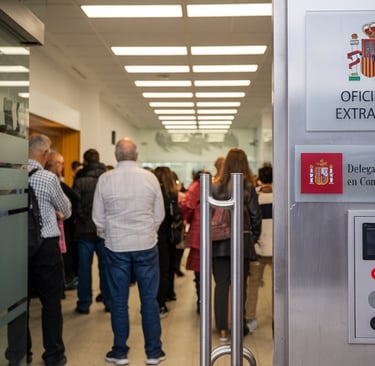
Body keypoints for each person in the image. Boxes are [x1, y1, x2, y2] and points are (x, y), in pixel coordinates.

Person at [92, 137, 166, 365]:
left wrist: (110, 235)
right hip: (146, 245)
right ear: (136, 155)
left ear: (116, 156)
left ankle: (120, 352)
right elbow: (159, 214)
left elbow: (98, 218)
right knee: (149, 300)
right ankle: (154, 352)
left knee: (119, 301)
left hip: (116, 247)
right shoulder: (150, 178)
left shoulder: (105, 179)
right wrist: (148, 232)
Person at [20, 134, 71, 366]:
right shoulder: (48, 178)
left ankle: (21, 353)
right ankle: (53, 355)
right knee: (51, 302)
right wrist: (57, 212)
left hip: (17, 245)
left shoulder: (11, 175)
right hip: (46, 246)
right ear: (45, 154)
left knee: (20, 303)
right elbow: (66, 209)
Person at [211, 148, 262, 343]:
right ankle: (238, 327)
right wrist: (252, 238)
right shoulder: (248, 187)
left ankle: (222, 329)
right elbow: (256, 216)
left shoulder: (215, 187)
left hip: (218, 243)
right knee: (240, 286)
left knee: (221, 285)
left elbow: (208, 216)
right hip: (241, 244)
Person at [73, 149, 110, 313]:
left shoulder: (80, 179)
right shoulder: (107, 177)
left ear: (85, 161)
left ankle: (84, 304)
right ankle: (108, 302)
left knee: (84, 269)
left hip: (84, 231)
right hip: (104, 231)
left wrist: (83, 218)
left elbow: (75, 203)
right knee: (106, 268)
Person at [45, 152, 80, 293]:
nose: (62, 167)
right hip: (57, 227)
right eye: (60, 164)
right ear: (54, 165)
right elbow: (71, 201)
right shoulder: (54, 182)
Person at [246, 164, 273, 333]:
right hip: (278, 249)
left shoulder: (253, 196)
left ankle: (250, 318)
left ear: (260, 178)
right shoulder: (281, 196)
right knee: (279, 287)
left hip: (257, 249)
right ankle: (279, 317)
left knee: (253, 285)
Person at [179, 170, 205, 314]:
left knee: (200, 270)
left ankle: (201, 301)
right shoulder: (215, 186)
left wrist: (186, 218)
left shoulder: (195, 186)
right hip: (216, 233)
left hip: (198, 231)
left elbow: (187, 206)